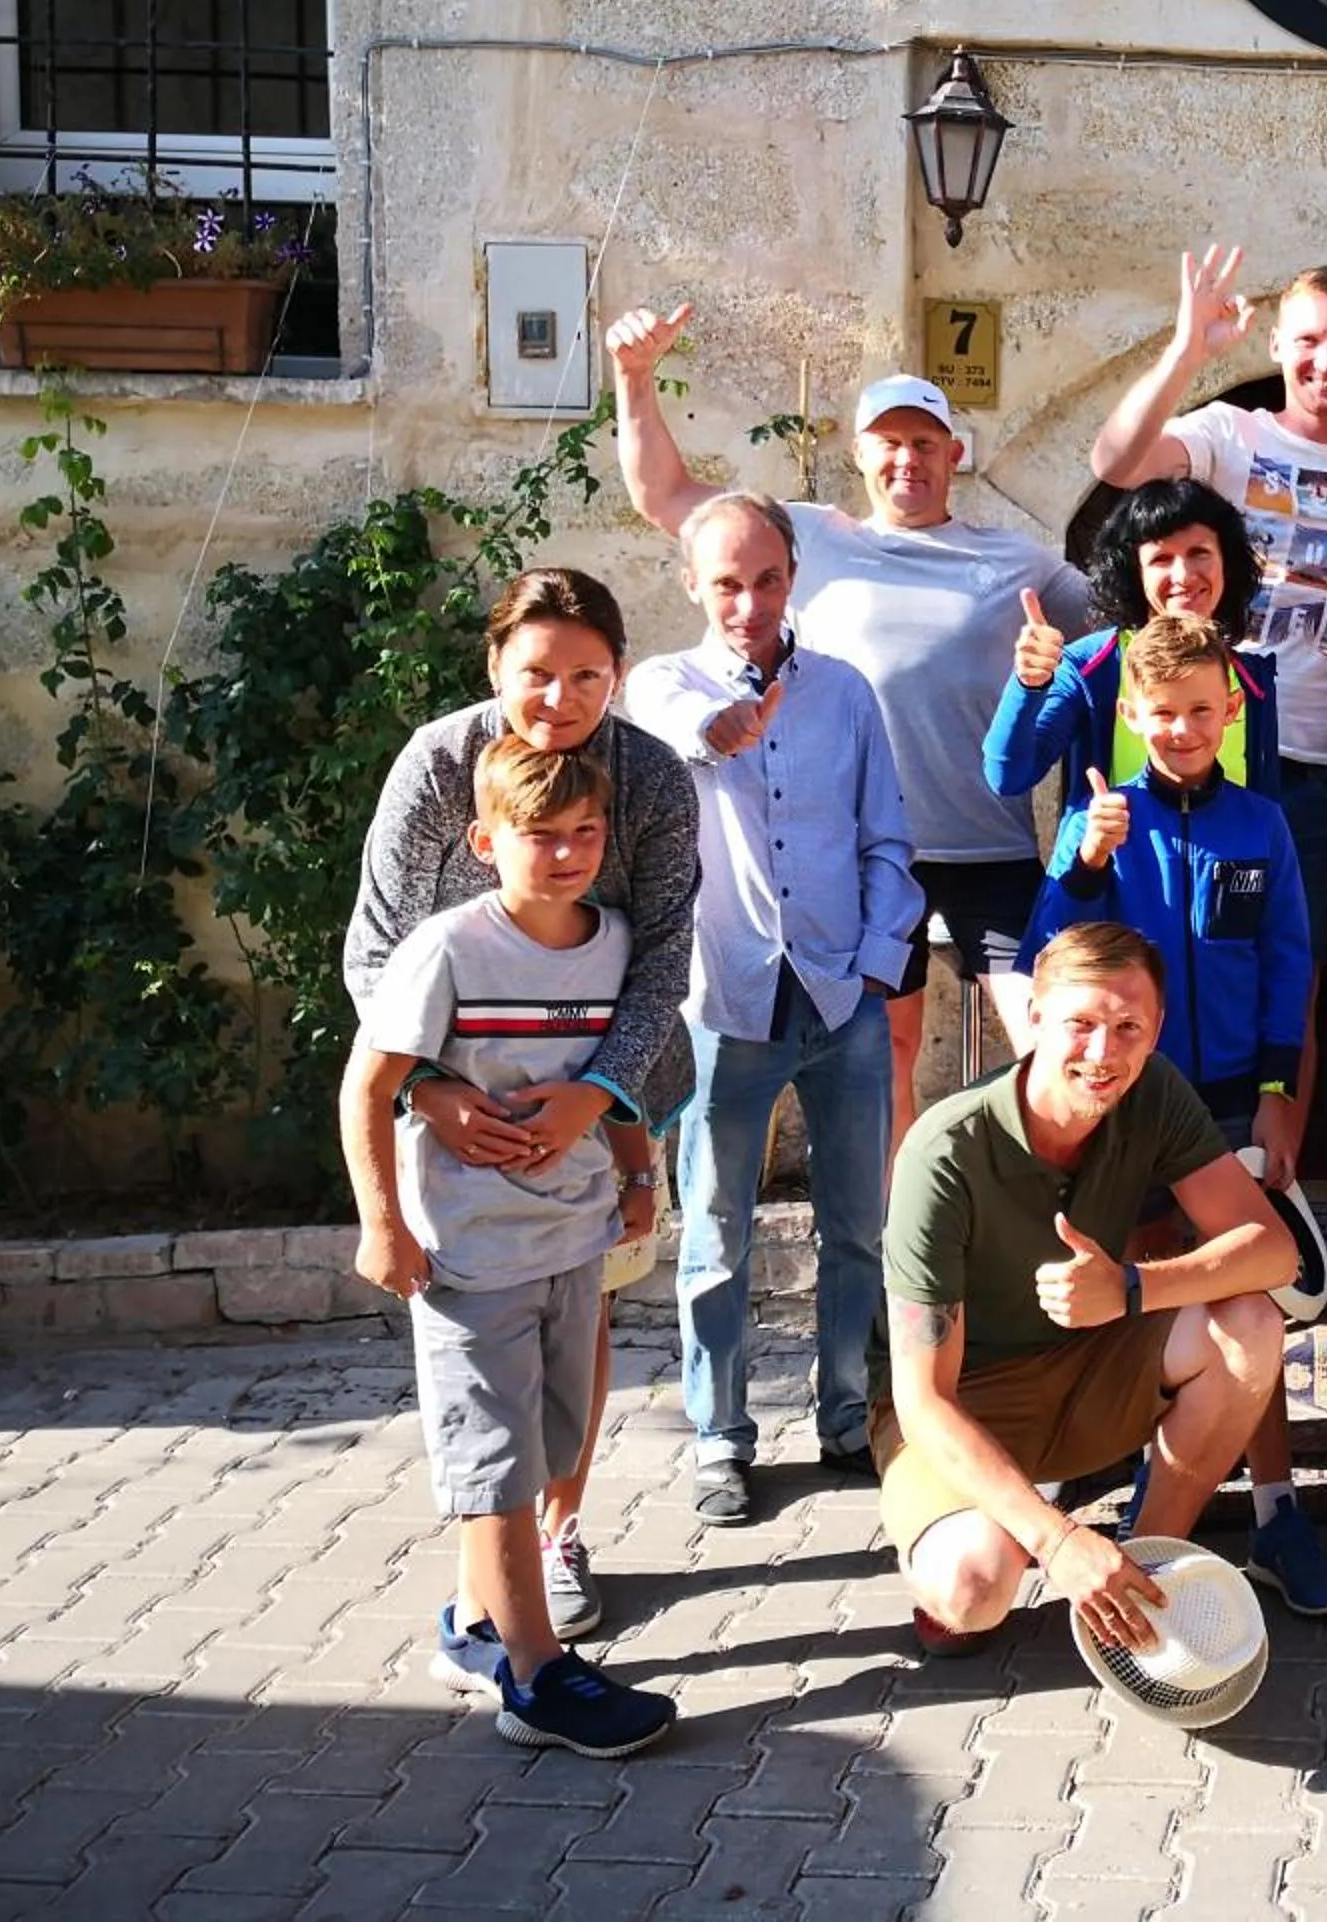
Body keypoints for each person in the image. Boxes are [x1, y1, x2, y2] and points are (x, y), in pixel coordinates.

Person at [608, 303, 1097, 1151]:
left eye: (924, 444)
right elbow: (664, 497)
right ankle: (901, 1252)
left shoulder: (1015, 560)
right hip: (873, 853)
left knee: (1049, 1037)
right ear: (862, 454)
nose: (907, 460)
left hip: (990, 851)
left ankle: (1042, 1231)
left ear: (954, 455)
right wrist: (635, 379)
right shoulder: (808, 539)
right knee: (890, 1056)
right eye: (889, 443)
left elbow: (1121, 631)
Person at [345, 566, 696, 1645]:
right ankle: (492, 1584)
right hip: (458, 1111)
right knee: (483, 1344)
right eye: (537, 672)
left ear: (619, 678)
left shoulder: (650, 781)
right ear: (496, 665)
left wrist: (598, 1103)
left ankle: (557, 1533)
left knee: (580, 1315)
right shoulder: (438, 769)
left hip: (605, 1096)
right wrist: (438, 1096)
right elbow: (377, 950)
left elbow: (664, 956)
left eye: (587, 676)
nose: (560, 699)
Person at [1017, 614, 1327, 1616]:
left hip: (1234, 1098)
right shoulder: (1107, 820)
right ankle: (1113, 1481)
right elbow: (1047, 957)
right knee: (1127, 1286)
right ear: (1131, 713)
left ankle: (1278, 1506)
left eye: (1202, 710)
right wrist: (1081, 861)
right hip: (1125, 1102)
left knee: (1245, 1293)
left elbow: (1291, 962)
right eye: (1162, 712)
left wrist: (1285, 1097)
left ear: (1230, 709)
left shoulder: (1260, 822)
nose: (1183, 728)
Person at [624, 491, 924, 1527]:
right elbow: (680, 738)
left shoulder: (844, 693)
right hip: (725, 998)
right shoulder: (661, 684)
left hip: (840, 994)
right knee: (715, 1230)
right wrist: (731, 724)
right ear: (692, 586)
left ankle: (846, 1415)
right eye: (726, 583)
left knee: (858, 1227)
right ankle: (720, 1436)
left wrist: (881, 963)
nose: (748, 603)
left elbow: (887, 838)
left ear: (793, 577)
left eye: (767, 580)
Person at [879, 923, 1297, 1658]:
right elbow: (923, 1400)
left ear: (1157, 1028)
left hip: (1093, 1367)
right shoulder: (945, 1150)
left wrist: (1133, 1288)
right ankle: (1015, 1541)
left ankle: (1145, 1567)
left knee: (1252, 1322)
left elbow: (1273, 1252)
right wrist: (1059, 1540)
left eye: (1128, 1027)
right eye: (1081, 1024)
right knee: (971, 1594)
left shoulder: (1154, 1093)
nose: (1104, 1054)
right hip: (967, 1399)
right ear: (1033, 1015)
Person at [1088, 248, 1327, 950]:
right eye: (1309, 339)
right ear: (1278, 343)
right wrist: (1186, 354)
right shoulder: (1232, 433)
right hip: (1219, 742)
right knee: (1182, 951)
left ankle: (1289, 1071)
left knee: (1296, 965)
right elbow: (1116, 462)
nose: (1326, 360)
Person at [983, 474, 1282, 806]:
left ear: (1227, 562)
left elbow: (1266, 818)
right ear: (1134, 573)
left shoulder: (1253, 680)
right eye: (1161, 559)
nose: (1183, 575)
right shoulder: (1089, 668)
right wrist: (1027, 686)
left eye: (1199, 552)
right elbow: (1008, 777)